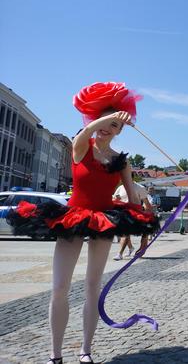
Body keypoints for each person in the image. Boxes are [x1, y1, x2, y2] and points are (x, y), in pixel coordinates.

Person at [8, 82, 159, 364]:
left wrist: (144, 232)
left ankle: (85, 350)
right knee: (59, 287)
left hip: (103, 219)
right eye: (104, 122)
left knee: (93, 286)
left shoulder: (120, 161)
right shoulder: (81, 145)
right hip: (73, 217)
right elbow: (88, 132)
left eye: (114, 126)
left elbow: (133, 200)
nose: (106, 129)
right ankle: (55, 354)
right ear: (95, 120)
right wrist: (104, 119)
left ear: (119, 132)